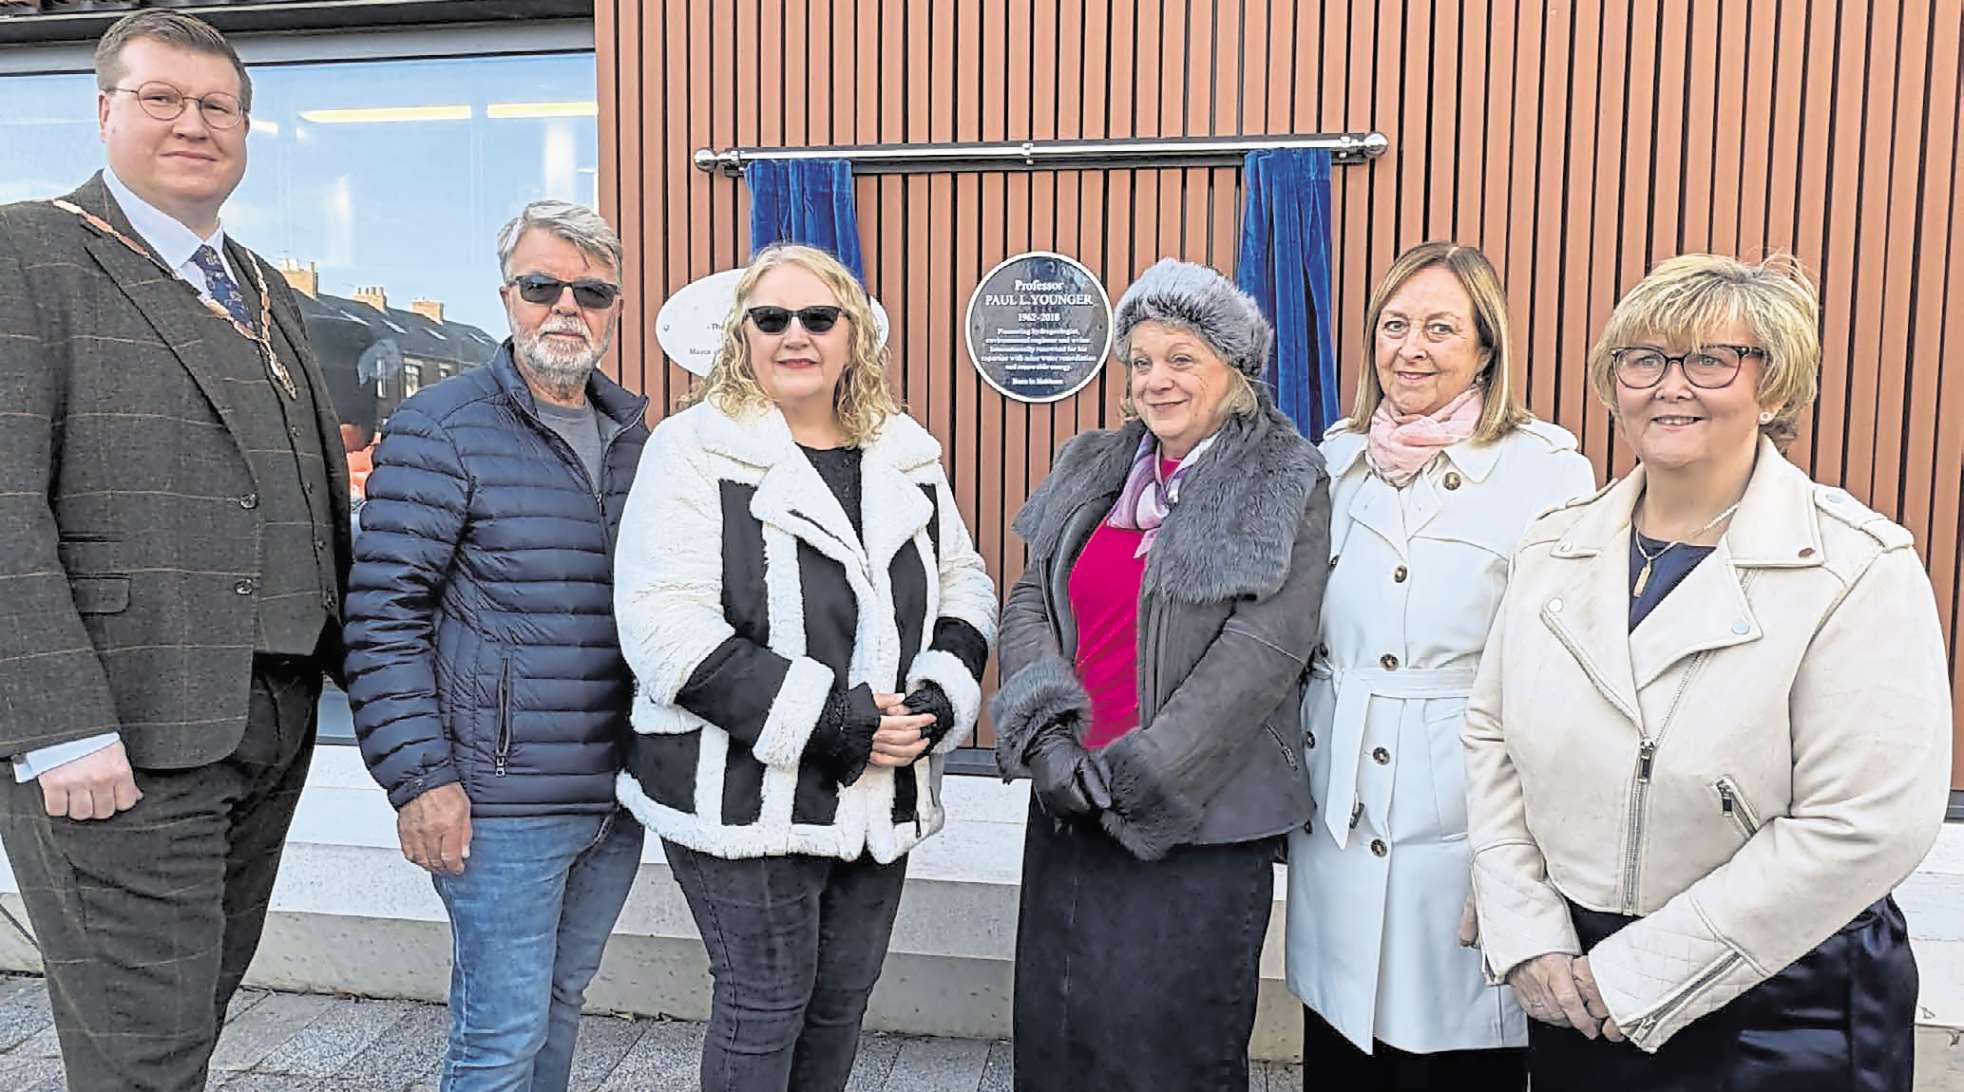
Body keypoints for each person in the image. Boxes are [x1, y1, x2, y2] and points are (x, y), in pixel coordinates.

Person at [1462, 253, 1950, 1089]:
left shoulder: (1855, 568)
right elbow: (1491, 737)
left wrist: (1639, 974)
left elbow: (1865, 823)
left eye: (1712, 360)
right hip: (1574, 981)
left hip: (1785, 1000)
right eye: (1643, 360)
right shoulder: (1552, 547)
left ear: (1775, 385)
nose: (1670, 386)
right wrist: (1525, 930)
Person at [0, 12, 351, 1089]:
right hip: (122, 730)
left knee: (190, 1015)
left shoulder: (259, 284)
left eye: (217, 106)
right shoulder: (28, 253)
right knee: (141, 1045)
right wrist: (59, 728)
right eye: (162, 98)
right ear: (106, 111)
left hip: (270, 716)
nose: (193, 123)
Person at [611, 243, 996, 1092]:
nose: (796, 335)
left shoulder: (905, 452)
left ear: (853, 335)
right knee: (764, 1003)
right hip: (742, 788)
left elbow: (963, 579)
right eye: (772, 318)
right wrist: (831, 722)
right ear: (741, 335)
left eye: (819, 317)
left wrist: (936, 700)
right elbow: (663, 622)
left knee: (839, 1004)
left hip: (880, 787)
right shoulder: (692, 448)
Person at [991, 258, 1329, 1091]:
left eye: (1182, 358)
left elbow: (1264, 651)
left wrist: (1139, 776)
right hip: (1070, 803)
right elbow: (1031, 597)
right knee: (1062, 1044)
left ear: (1235, 368)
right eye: (1141, 360)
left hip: (1194, 824)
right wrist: (1047, 740)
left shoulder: (1284, 475)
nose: (1156, 379)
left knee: (1169, 1057)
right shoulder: (1094, 463)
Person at [342, 201, 648, 1090]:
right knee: (501, 1037)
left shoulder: (635, 437)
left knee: (559, 1007)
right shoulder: (441, 427)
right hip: (498, 801)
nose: (566, 307)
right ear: (508, 295)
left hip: (615, 794)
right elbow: (384, 616)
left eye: (591, 291)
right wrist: (420, 780)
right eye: (542, 285)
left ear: (615, 307)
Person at [1284, 242, 1595, 1088]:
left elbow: (1563, 679)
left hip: (1464, 817)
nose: (1411, 348)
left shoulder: (1545, 473)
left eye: (1440, 328)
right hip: (1340, 814)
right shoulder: (1333, 462)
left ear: (1486, 347)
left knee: (1453, 1058)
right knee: (1343, 1052)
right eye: (1394, 326)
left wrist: (1529, 865)